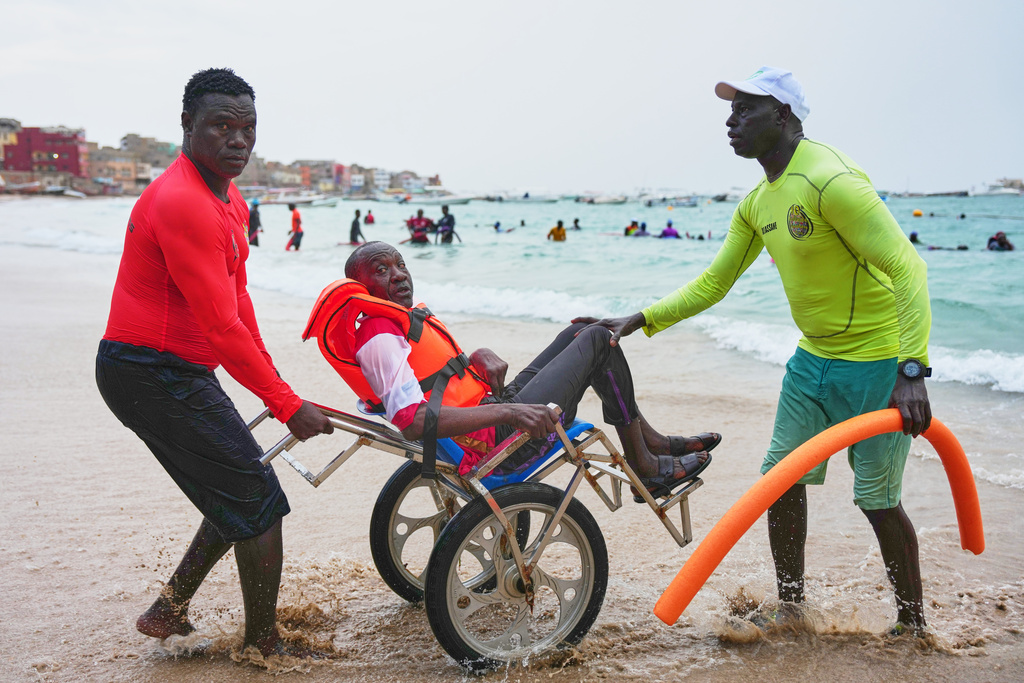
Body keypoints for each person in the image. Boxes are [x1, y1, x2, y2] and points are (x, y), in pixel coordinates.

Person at [583, 67, 933, 635]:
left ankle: (913, 627)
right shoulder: (756, 202)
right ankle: (793, 608)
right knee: (779, 481)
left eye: (745, 109)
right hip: (811, 363)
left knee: (876, 499)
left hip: (876, 363)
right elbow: (713, 284)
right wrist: (640, 319)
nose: (730, 121)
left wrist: (912, 368)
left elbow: (908, 268)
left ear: (784, 116)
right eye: (731, 110)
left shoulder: (830, 180)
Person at [95, 68, 334, 658]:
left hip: (175, 371)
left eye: (247, 128)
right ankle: (264, 645)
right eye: (221, 126)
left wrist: (276, 384)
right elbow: (220, 326)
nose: (238, 141)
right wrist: (284, 405)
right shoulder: (183, 201)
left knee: (234, 490)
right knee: (259, 501)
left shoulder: (228, 198)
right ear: (187, 126)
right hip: (147, 373)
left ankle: (167, 610)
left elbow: (238, 300)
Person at [325, 242, 721, 496]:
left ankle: (648, 443)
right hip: (494, 442)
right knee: (601, 340)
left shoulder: (399, 319)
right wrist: (512, 411)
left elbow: (436, 378)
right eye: (381, 270)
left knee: (587, 331)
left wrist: (475, 357)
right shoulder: (378, 335)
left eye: (400, 263)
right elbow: (412, 420)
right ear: (360, 288)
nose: (398, 274)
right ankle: (646, 466)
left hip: (489, 413)